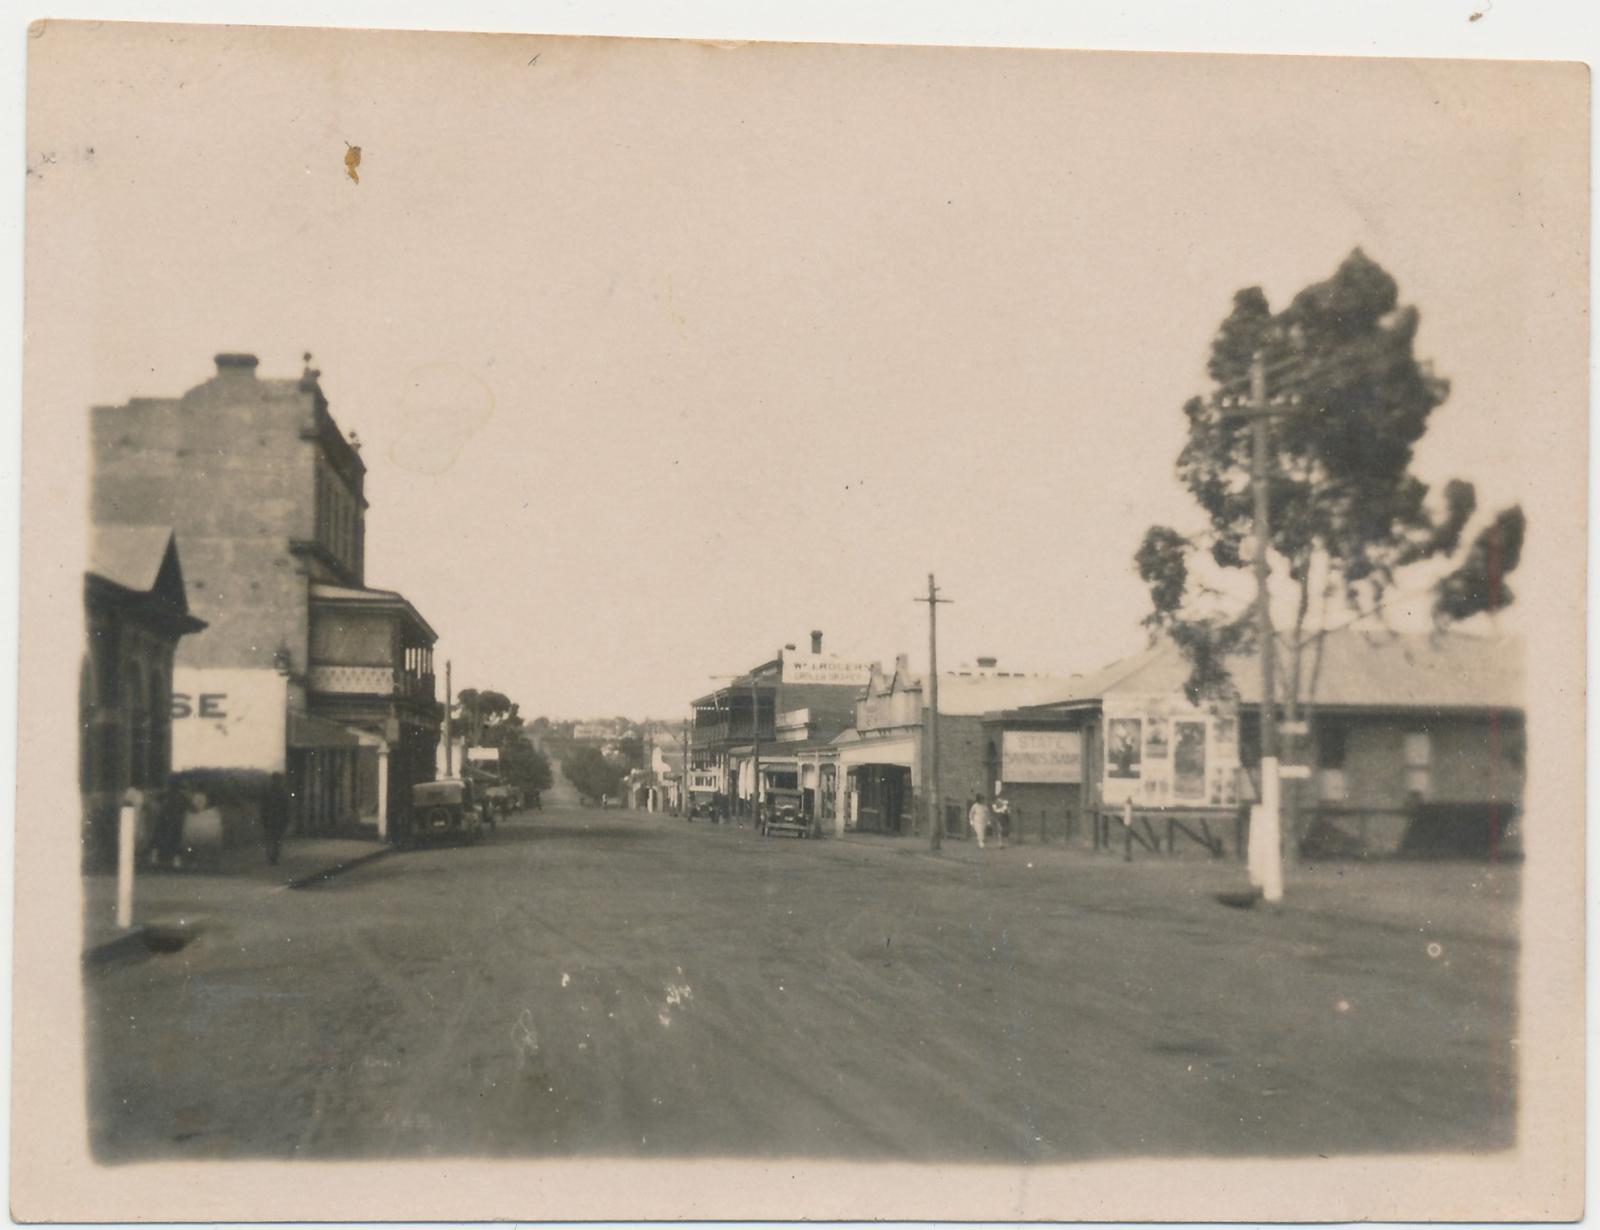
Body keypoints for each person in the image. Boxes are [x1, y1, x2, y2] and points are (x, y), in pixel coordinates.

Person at [260, 772, 290, 866]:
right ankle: (274, 858)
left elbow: (263, 807)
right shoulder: (283, 792)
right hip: (279, 820)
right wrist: (287, 820)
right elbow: (287, 808)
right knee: (277, 840)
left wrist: (263, 818)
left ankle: (271, 857)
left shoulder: (267, 791)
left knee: (270, 839)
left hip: (270, 820)